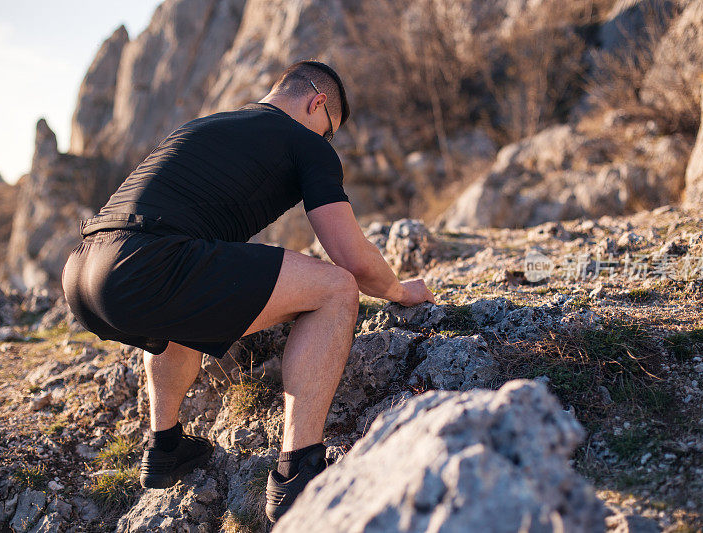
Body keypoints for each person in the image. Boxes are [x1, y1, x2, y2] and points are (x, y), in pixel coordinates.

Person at [61, 59, 435, 523]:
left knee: (180, 304)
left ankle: (165, 446)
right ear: (316, 103)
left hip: (83, 272)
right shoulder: (303, 142)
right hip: (148, 263)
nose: (326, 141)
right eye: (328, 130)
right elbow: (352, 258)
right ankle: (298, 472)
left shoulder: (212, 125)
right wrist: (399, 290)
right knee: (337, 289)